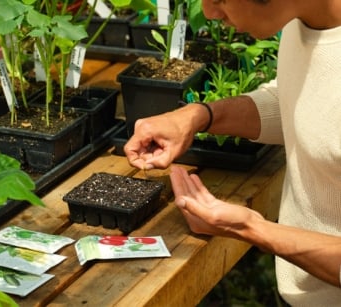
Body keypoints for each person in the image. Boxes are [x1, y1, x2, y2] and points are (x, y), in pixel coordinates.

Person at [123, 0, 341, 306]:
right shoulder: (305, 20)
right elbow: (304, 105)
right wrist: (199, 116)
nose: (210, 13)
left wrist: (252, 228)